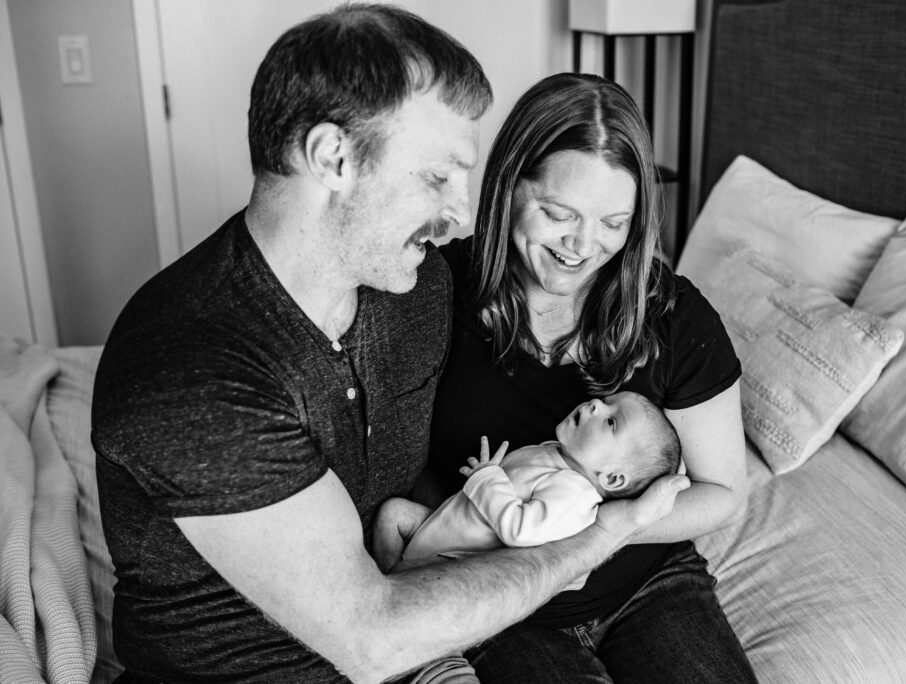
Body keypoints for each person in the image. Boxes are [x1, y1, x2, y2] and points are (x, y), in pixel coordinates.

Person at [91, 6, 689, 683]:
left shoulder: (419, 290)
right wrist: (603, 533)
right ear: (333, 158)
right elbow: (371, 639)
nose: (460, 214)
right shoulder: (192, 368)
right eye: (437, 177)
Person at [424, 72, 758, 682]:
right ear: (508, 187)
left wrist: (603, 533)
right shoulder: (435, 294)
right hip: (503, 603)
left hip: (648, 584)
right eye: (559, 214)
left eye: (613, 222)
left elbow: (723, 493)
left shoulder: (673, 314)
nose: (582, 246)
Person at [374, 391, 683, 572]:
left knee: (418, 584)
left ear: (612, 477)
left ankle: (396, 591)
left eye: (611, 421)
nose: (595, 405)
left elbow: (520, 531)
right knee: (392, 513)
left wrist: (487, 478)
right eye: (605, 401)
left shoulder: (575, 496)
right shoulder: (557, 453)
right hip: (444, 528)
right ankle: (384, 577)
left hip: (454, 559)